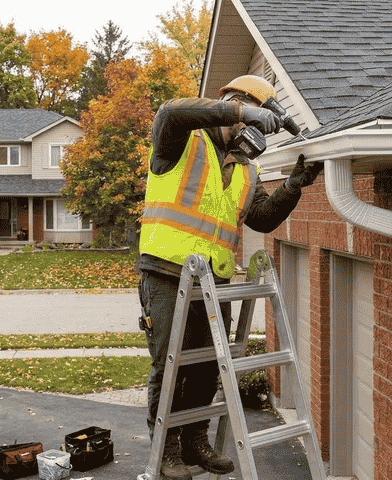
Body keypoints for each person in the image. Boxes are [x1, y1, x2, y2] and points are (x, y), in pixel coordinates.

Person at [137, 74, 323, 480]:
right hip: (167, 274)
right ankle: (166, 450)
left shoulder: (246, 170)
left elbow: (262, 217)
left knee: (207, 368)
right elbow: (170, 110)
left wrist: (293, 185)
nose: (253, 136)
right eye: (251, 124)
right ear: (234, 106)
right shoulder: (180, 140)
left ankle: (194, 442)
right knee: (172, 365)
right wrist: (246, 111)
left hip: (213, 282)